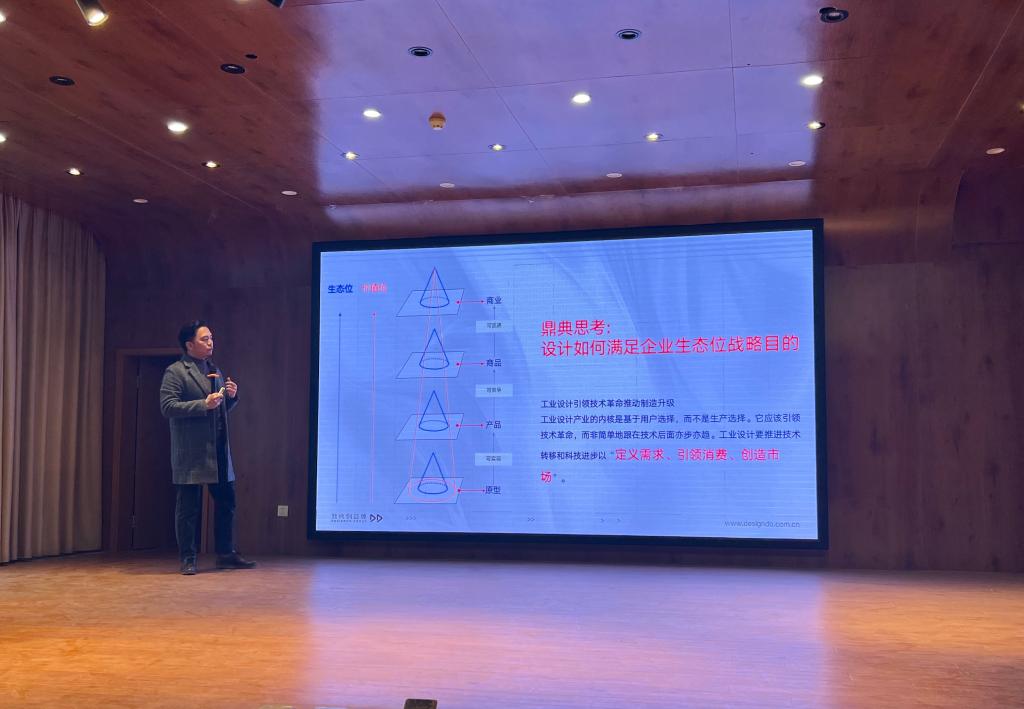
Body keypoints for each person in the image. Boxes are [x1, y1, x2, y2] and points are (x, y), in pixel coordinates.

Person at [159, 320, 255, 575]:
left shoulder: (214, 369)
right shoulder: (175, 372)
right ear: (189, 345)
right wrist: (203, 404)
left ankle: (226, 554)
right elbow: (167, 407)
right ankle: (188, 558)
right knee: (189, 508)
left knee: (227, 503)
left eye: (211, 337)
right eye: (205, 339)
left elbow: (218, 410)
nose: (211, 342)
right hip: (192, 451)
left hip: (218, 450)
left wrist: (231, 398)